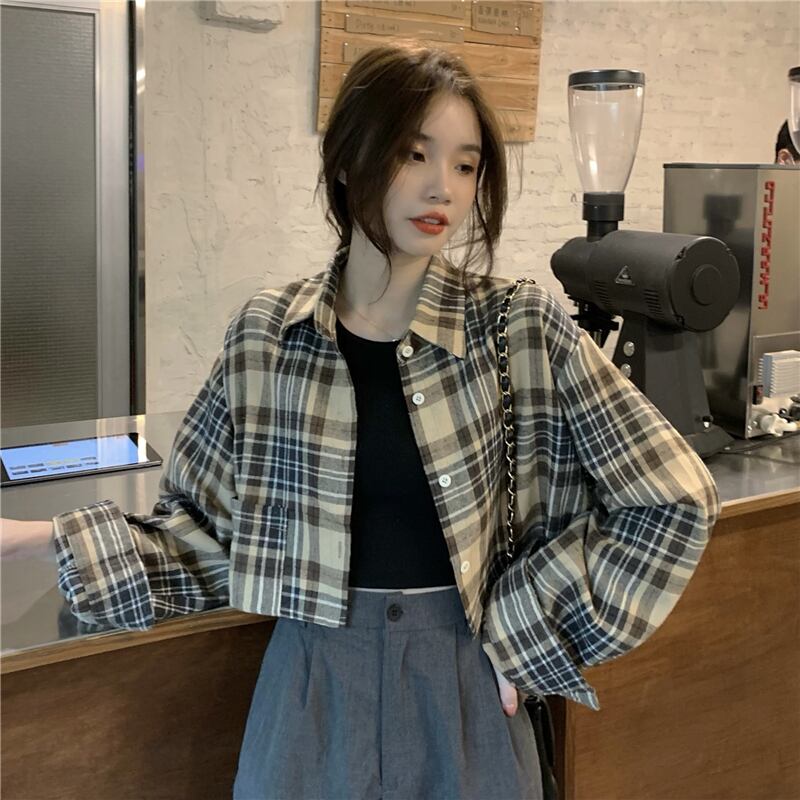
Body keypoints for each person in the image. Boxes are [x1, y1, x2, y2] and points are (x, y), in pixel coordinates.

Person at [1, 44, 720, 800]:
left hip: (466, 690)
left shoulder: (517, 325)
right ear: (349, 161)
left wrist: (530, 626)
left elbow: (673, 496)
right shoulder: (268, 335)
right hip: (311, 697)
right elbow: (207, 535)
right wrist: (36, 540)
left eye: (466, 165)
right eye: (414, 154)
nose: (443, 187)